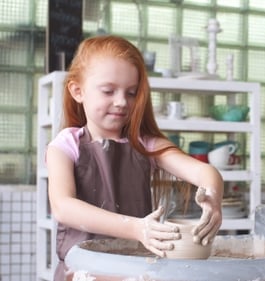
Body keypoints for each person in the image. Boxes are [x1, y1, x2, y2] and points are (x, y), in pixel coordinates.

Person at [45, 35, 223, 280]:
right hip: (82, 272)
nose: (121, 102)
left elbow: (204, 172)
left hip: (136, 271)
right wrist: (136, 228)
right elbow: (63, 207)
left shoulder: (144, 143)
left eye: (131, 93)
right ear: (78, 91)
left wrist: (213, 197)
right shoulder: (66, 145)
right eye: (108, 91)